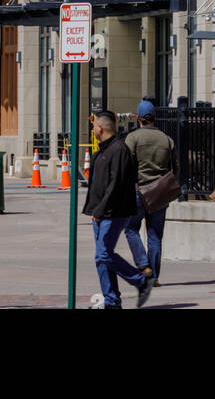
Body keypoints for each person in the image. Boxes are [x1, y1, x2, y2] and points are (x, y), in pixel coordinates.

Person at [82, 110, 155, 309]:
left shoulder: (119, 149)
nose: (92, 128)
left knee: (104, 254)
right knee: (101, 257)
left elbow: (115, 184)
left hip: (114, 212)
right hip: (99, 212)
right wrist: (94, 209)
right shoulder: (103, 150)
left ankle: (141, 281)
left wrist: (100, 210)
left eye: (94, 125)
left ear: (101, 128)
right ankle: (112, 300)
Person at [124, 99, 178, 286]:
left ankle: (142, 264)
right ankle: (153, 277)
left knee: (131, 228)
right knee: (155, 235)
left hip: (138, 190)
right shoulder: (167, 139)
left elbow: (126, 165)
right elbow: (175, 168)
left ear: (138, 117)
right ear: (155, 117)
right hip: (160, 193)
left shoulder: (133, 138)